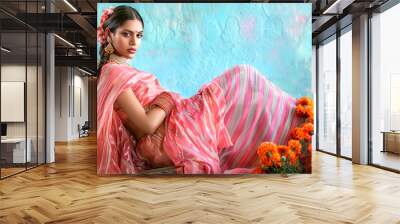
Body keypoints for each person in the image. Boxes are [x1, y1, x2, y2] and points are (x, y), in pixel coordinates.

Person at [97, 5, 303, 175]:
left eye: (139, 35)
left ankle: (299, 127)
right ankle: (297, 134)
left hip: (176, 121)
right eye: (126, 34)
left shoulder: (123, 70)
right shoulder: (113, 74)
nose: (134, 42)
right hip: (169, 136)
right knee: (243, 78)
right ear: (108, 35)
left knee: (246, 82)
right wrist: (167, 98)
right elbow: (146, 126)